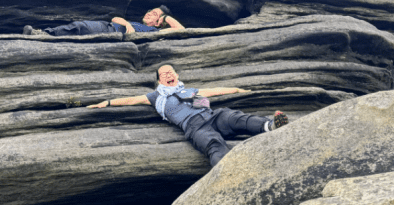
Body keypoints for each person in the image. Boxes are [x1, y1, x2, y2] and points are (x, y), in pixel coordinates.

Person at [88, 64, 288, 167]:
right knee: (213, 144)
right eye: (164, 73)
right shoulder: (155, 96)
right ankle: (227, 172)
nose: (169, 74)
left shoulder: (190, 90)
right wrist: (105, 102)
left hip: (213, 116)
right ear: (159, 80)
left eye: (171, 71)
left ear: (177, 75)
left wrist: (236, 89)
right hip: (194, 126)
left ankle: (271, 125)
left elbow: (215, 91)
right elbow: (131, 100)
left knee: (236, 118)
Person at [23, 6, 184, 36]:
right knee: (78, 26)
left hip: (111, 33)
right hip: (107, 27)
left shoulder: (157, 32)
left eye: (154, 13)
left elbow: (181, 30)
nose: (149, 13)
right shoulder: (136, 24)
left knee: (78, 31)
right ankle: (42, 34)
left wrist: (165, 18)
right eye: (149, 10)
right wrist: (127, 24)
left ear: (158, 22)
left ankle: (43, 35)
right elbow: (115, 18)